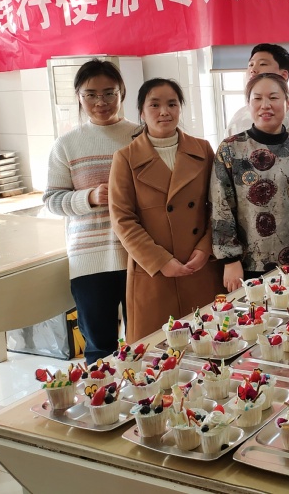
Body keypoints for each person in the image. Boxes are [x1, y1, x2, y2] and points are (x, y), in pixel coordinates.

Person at [109, 79, 221, 342]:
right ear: (141, 112)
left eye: (172, 104)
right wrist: (160, 261)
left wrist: (205, 248)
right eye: (155, 105)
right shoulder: (125, 158)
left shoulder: (203, 149)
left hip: (198, 267)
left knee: (210, 345)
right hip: (153, 272)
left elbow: (219, 206)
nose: (164, 112)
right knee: (156, 352)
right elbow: (122, 220)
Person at [44, 60, 137, 364]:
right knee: (99, 347)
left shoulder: (139, 136)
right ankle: (103, 395)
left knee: (144, 340)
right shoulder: (66, 145)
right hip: (89, 259)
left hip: (139, 253)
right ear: (79, 97)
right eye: (91, 95)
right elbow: (52, 199)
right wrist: (89, 198)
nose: (101, 102)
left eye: (109, 93)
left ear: (121, 93)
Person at [211, 73, 289, 288]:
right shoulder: (230, 148)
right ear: (248, 104)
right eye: (257, 98)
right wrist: (230, 259)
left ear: (287, 103)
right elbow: (221, 206)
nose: (265, 105)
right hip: (246, 264)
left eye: (273, 97)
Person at [226, 43, 289, 170]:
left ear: (283, 75)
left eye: (263, 64)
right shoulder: (238, 116)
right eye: (250, 65)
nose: (253, 70)